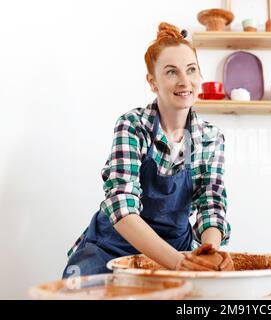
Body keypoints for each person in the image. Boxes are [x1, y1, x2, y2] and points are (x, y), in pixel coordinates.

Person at [62, 22, 231, 278]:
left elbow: (211, 202)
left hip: (177, 250)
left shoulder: (210, 138)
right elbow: (122, 204)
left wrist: (209, 253)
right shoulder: (133, 126)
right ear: (153, 82)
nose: (185, 81)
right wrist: (177, 264)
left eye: (191, 70)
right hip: (112, 248)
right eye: (171, 72)